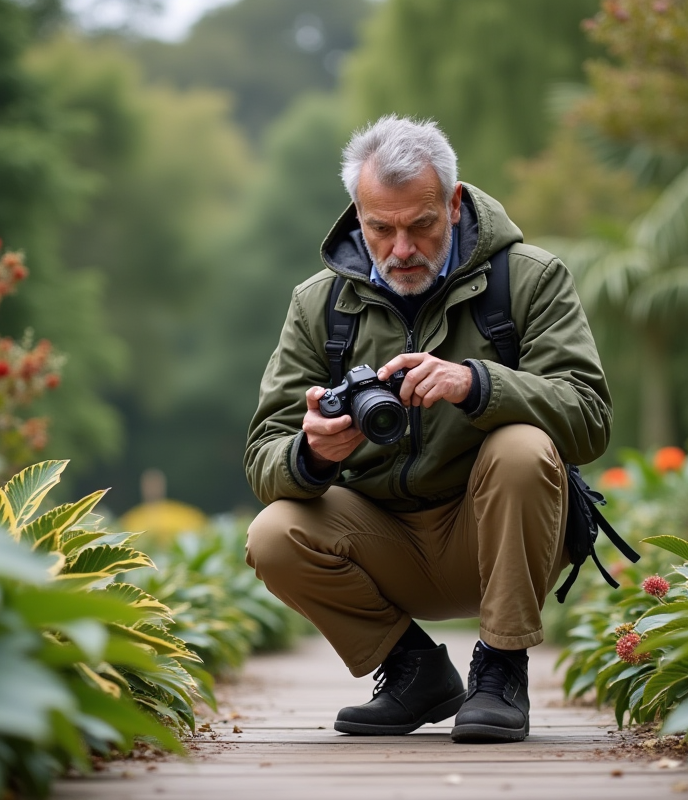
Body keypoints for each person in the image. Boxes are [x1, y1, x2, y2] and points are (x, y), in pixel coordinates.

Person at [243, 115, 611, 743]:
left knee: (521, 447)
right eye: (380, 229)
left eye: (421, 224)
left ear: (454, 203)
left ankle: (501, 669)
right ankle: (414, 672)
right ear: (358, 215)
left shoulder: (530, 278)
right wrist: (313, 453)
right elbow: (262, 455)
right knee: (273, 534)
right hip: (381, 541)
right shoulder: (318, 305)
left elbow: (590, 418)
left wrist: (478, 384)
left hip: (498, 534)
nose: (401, 249)